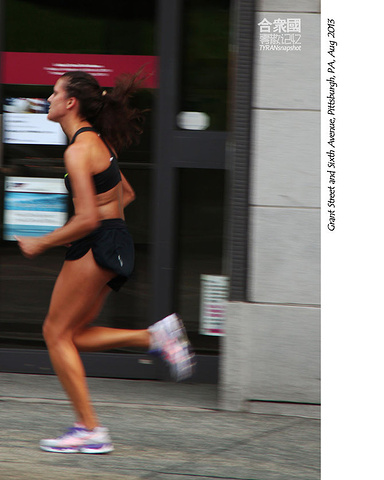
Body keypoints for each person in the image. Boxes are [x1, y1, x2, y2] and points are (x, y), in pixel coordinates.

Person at [16, 71, 194, 454]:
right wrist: (106, 222)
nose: (48, 97)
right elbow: (125, 193)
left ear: (70, 103)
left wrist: (40, 243)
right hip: (116, 242)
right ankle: (153, 338)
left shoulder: (78, 150)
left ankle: (89, 429)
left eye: (55, 92)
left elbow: (87, 219)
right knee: (73, 334)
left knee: (54, 333)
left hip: (96, 243)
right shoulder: (99, 143)